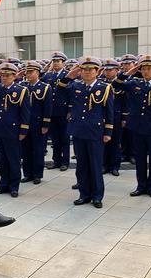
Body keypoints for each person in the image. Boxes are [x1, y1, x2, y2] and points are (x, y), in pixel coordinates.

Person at [116, 55, 151, 198]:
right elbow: (116, 85)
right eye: (143, 69)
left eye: (149, 68)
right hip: (137, 127)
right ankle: (141, 186)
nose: (146, 71)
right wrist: (129, 72)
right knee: (140, 159)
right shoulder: (134, 83)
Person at [62, 57, 114, 209]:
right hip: (79, 130)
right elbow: (60, 87)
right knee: (82, 165)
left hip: (95, 132)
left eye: (90, 69)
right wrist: (72, 73)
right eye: (84, 69)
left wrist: (108, 131)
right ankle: (84, 194)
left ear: (97, 71)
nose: (87, 72)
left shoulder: (105, 87)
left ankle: (97, 196)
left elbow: (109, 112)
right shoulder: (76, 86)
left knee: (95, 165)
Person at [0, 63, 30, 198]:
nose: (4, 78)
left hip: (12, 130)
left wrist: (23, 131)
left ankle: (14, 186)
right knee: (2, 160)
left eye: (7, 75)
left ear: (14, 76)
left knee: (13, 159)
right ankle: (3, 185)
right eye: (2, 75)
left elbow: (25, 113)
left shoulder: (21, 90)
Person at [19, 61, 52, 184]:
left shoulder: (45, 87)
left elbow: (48, 107)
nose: (28, 74)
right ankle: (27, 173)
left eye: (31, 72)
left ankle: (37, 174)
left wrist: (45, 124)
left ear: (37, 73)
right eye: (27, 72)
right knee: (25, 149)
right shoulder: (22, 86)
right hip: (24, 123)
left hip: (38, 123)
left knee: (38, 150)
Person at [43, 52, 70, 171]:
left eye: (58, 61)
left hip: (63, 111)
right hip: (52, 111)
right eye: (54, 61)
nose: (55, 63)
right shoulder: (48, 76)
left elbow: (71, 94)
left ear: (63, 63)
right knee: (55, 139)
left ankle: (65, 162)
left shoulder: (68, 75)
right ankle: (56, 160)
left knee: (64, 138)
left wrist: (70, 110)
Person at [101, 59, 125, 176]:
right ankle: (104, 165)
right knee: (104, 143)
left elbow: (126, 102)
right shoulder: (101, 83)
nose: (108, 72)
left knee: (116, 142)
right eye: (106, 70)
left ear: (117, 71)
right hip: (103, 117)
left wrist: (124, 118)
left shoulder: (121, 83)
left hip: (117, 116)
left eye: (110, 70)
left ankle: (115, 166)